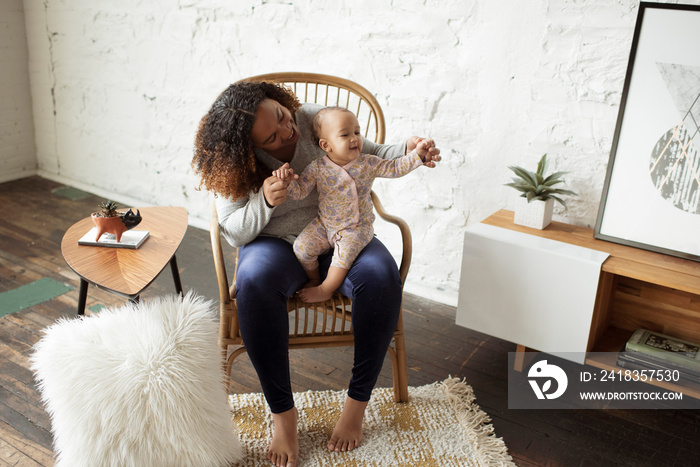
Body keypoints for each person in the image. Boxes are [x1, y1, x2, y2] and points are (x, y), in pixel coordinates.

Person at [191, 80, 441, 467]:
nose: (286, 130)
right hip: (276, 243)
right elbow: (234, 230)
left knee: (380, 276)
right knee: (254, 284)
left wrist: (410, 150)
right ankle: (283, 418)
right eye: (271, 138)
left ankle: (356, 406)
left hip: (341, 230)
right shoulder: (234, 163)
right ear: (250, 148)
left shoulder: (310, 119)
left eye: (280, 115)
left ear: (278, 99)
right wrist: (265, 201)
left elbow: (370, 153)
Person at [272, 106, 437, 303]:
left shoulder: (367, 163)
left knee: (343, 256)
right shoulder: (317, 167)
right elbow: (300, 192)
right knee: (302, 247)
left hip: (356, 227)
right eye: (345, 134)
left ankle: (326, 288)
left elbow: (394, 168)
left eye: (357, 132)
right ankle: (315, 279)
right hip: (325, 224)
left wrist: (417, 155)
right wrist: (287, 182)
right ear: (326, 145)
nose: (354, 138)